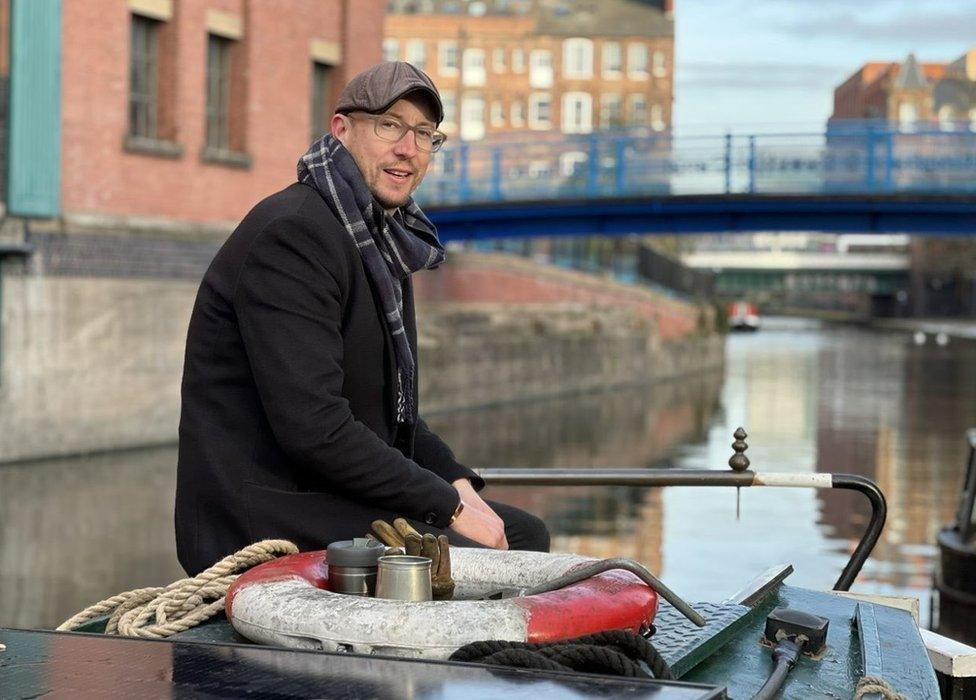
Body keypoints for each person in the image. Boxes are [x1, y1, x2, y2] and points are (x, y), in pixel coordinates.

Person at [175, 62, 549, 575]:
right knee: (488, 556)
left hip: (328, 494)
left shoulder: (382, 240)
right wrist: (449, 507)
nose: (408, 148)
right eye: (389, 125)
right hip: (265, 515)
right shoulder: (294, 235)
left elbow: (390, 412)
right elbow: (316, 430)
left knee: (524, 533)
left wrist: (456, 483)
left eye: (424, 134)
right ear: (342, 129)